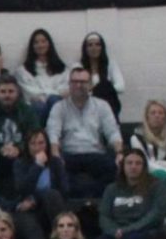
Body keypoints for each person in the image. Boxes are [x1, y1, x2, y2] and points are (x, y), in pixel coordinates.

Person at [47, 67, 124, 200]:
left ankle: (96, 204)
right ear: (69, 84)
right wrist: (55, 155)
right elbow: (53, 133)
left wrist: (120, 153)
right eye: (75, 81)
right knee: (57, 168)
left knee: (114, 167)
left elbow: (112, 132)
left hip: (96, 153)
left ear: (90, 85)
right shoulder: (59, 107)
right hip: (69, 154)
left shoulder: (102, 106)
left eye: (83, 82)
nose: (78, 85)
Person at [94, 149, 166, 239]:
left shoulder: (157, 186)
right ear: (123, 166)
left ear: (144, 167)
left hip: (145, 230)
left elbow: (156, 215)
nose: (133, 166)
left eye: (138, 163)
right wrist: (113, 231)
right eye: (129, 163)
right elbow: (104, 215)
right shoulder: (112, 188)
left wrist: (127, 230)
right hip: (117, 231)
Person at [12, 127, 67, 239]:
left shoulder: (56, 162)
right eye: (33, 144)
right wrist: (37, 166)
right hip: (28, 210)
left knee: (52, 195)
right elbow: (22, 189)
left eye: (41, 143)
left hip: (51, 206)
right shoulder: (19, 164)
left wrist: (36, 199)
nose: (37, 147)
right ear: (27, 146)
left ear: (47, 144)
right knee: (33, 231)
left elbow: (64, 190)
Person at [15, 28, 68, 123]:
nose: (40, 45)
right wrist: (53, 94)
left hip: (57, 105)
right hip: (36, 109)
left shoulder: (62, 68)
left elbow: (65, 89)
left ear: (49, 44)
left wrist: (48, 96)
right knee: (40, 105)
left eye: (43, 41)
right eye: (36, 42)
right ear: (32, 46)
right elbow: (31, 93)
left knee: (54, 101)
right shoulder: (22, 70)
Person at [80, 32, 124, 118]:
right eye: (90, 45)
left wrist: (95, 89)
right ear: (85, 49)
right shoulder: (79, 66)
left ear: (102, 47)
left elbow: (121, 86)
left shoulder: (111, 64)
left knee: (105, 85)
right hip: (86, 106)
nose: (94, 48)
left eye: (97, 44)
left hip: (107, 106)